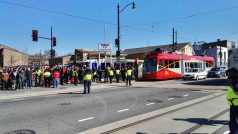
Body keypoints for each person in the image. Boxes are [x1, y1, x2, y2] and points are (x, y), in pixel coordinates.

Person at [226, 67, 238, 133]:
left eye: (230, 73)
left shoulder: (235, 83)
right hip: (233, 104)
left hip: (235, 105)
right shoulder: (234, 81)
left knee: (233, 122)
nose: (229, 75)